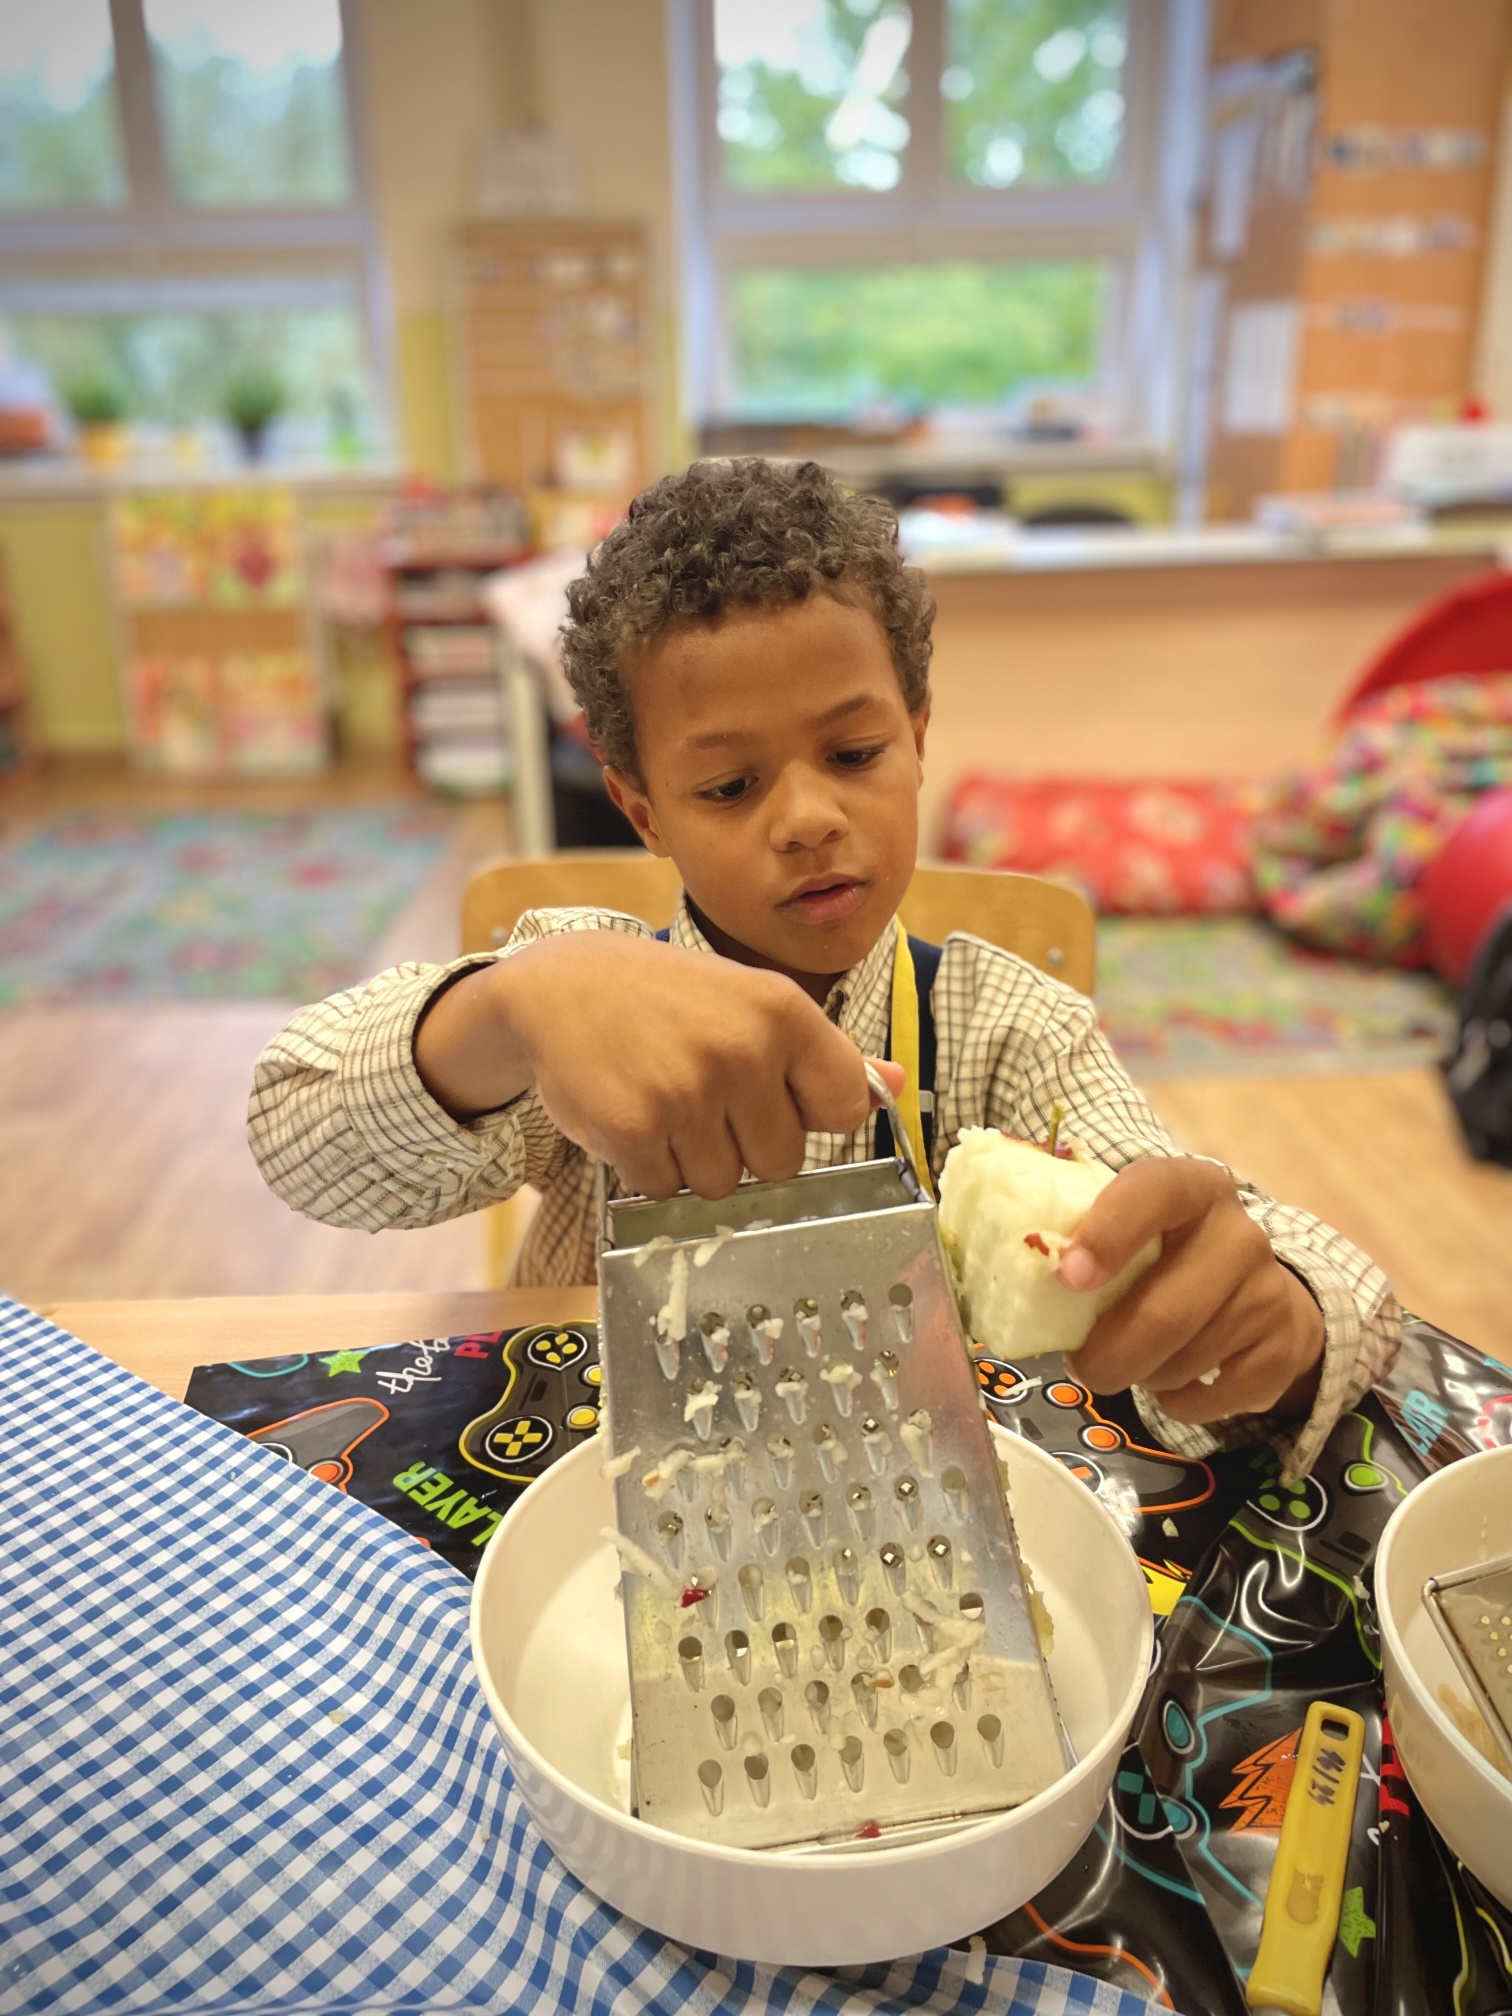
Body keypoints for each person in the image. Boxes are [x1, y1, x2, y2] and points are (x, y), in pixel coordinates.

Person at [250, 458, 1399, 1481]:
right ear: (644, 812)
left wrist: (1283, 1315)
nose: (808, 818)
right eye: (729, 787)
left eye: (853, 753)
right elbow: (298, 1136)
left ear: (917, 737)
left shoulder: (1008, 1029)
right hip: (598, 1491)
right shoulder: (582, 1006)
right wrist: (505, 1011)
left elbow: (1274, 1255)